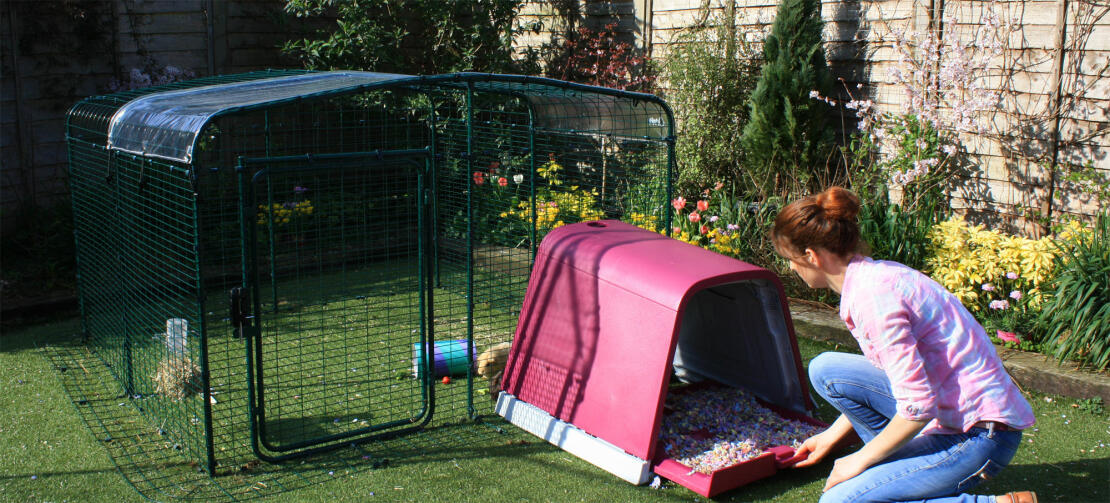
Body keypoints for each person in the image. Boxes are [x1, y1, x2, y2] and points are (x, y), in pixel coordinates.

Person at [771, 187, 1037, 503]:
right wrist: (831, 437)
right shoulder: (870, 279)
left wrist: (859, 459)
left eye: (790, 260)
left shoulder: (873, 299)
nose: (790, 268)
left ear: (811, 256)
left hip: (980, 436)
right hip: (951, 410)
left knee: (840, 501)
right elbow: (905, 386)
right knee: (826, 369)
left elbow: (918, 406)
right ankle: (894, 470)